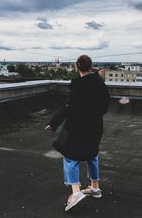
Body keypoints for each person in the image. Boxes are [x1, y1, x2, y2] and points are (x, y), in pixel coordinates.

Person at [45, 55, 110, 211]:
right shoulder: (99, 81)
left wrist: (53, 123)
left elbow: (69, 106)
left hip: (77, 126)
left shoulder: (77, 84)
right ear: (91, 66)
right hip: (95, 125)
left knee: (70, 157)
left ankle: (75, 192)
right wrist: (95, 115)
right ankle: (95, 188)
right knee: (92, 154)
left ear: (76, 67)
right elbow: (105, 103)